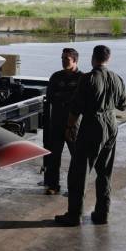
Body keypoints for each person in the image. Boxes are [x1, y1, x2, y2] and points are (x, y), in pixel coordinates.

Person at [55, 45, 126, 227]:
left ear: (93, 58)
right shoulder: (117, 78)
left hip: (93, 124)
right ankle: (102, 214)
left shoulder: (88, 78)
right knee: (104, 172)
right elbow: (123, 105)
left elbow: (76, 107)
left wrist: (69, 127)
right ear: (108, 59)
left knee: (79, 171)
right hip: (111, 124)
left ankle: (74, 215)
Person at [42, 48, 82, 195]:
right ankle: (53, 185)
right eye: (62, 58)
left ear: (75, 60)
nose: (63, 61)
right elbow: (51, 97)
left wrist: (63, 97)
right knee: (53, 156)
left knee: (77, 157)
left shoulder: (82, 78)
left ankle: (76, 187)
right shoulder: (56, 77)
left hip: (74, 124)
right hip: (57, 122)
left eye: (67, 59)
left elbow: (79, 100)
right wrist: (68, 97)